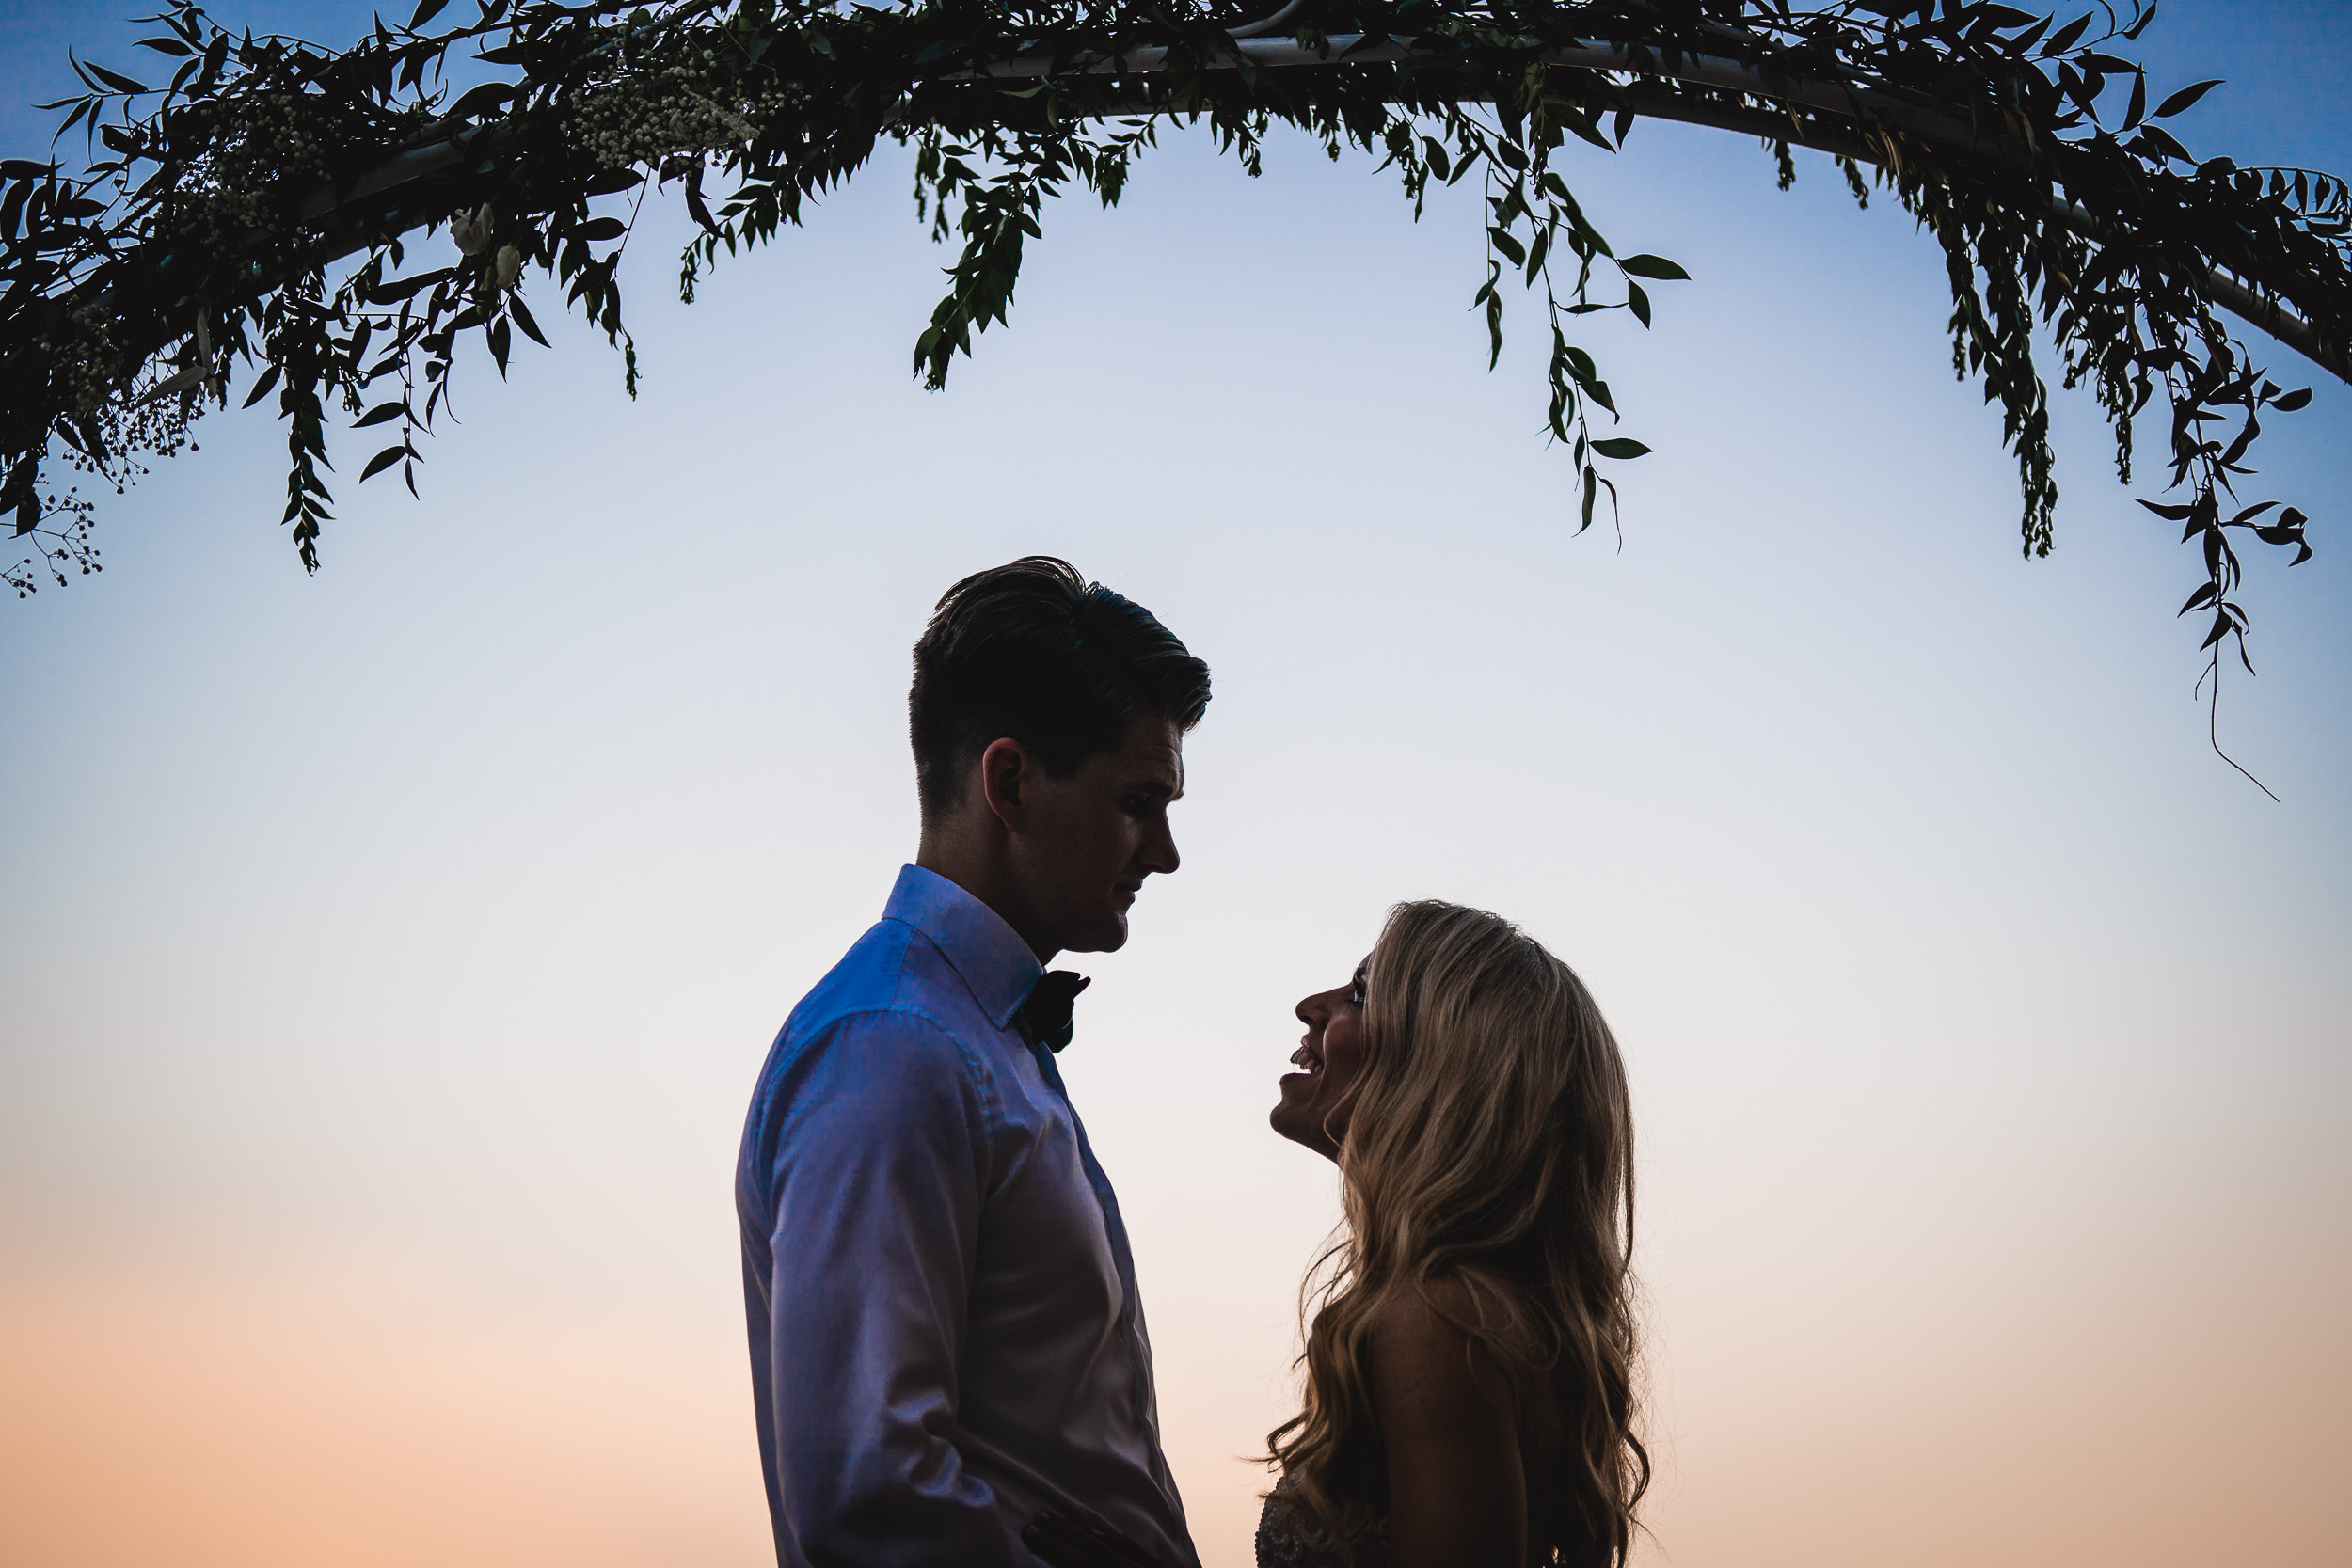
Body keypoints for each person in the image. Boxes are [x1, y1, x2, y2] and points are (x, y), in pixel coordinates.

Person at [736, 556, 1210, 1568]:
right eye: (1137, 801)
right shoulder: (897, 1048)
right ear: (1009, 781)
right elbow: (866, 1489)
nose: (1164, 851)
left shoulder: (972, 1038)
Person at [1025, 900, 1645, 1568]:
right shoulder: (1488, 1311)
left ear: (1439, 1061)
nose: (1309, 1005)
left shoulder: (1437, 1319)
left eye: (1360, 992)